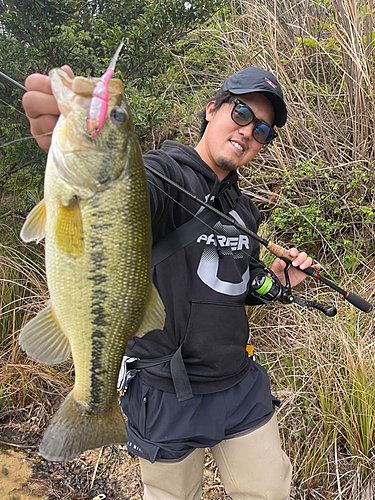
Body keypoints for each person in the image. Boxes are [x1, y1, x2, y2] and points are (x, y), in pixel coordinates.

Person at [23, 65, 320, 500]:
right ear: (211, 109)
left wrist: (273, 281)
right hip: (166, 392)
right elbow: (128, 200)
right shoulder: (164, 176)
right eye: (240, 113)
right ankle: (92, 407)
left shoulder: (244, 211)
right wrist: (79, 150)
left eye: (262, 130)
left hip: (239, 387)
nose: (248, 133)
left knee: (271, 492)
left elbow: (236, 279)